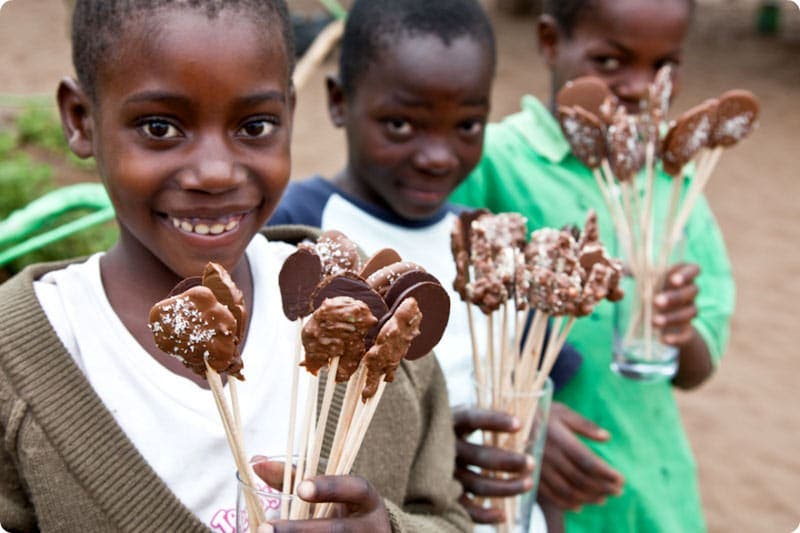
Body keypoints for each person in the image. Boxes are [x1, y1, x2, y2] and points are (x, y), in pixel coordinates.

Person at [0, 1, 472, 532]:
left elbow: (448, 517)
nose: (216, 172)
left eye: (255, 126)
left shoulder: (372, 317)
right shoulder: (18, 363)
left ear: (290, 113)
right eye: (159, 127)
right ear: (81, 119)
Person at [268, 0, 582, 528]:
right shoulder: (297, 231)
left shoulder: (492, 246)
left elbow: (540, 380)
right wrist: (434, 445)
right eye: (400, 124)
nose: (437, 155)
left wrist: (538, 438)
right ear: (340, 103)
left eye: (466, 125)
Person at [451, 0, 735, 531]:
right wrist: (524, 414)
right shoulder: (493, 159)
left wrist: (677, 331)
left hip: (655, 490)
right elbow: (437, 317)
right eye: (610, 61)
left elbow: (699, 367)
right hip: (526, 487)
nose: (638, 86)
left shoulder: (675, 185)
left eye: (663, 66)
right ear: (550, 41)